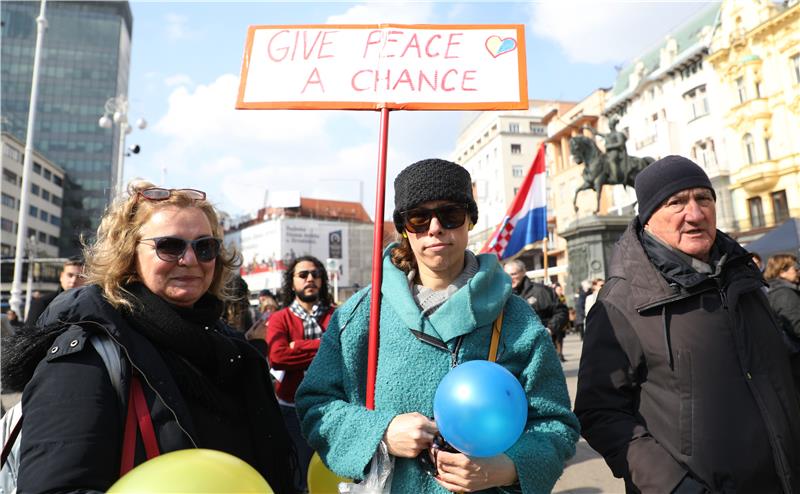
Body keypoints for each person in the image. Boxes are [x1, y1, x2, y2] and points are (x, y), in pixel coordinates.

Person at [296, 158, 579, 493]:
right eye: (418, 218)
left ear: (470, 220)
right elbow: (316, 406)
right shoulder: (359, 315)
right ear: (403, 227)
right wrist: (381, 432)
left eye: (450, 214)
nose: (435, 228)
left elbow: (555, 424)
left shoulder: (516, 317)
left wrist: (509, 467)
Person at [8, 183, 294, 493]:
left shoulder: (231, 350)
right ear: (128, 254)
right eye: (169, 246)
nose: (190, 259)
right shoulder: (91, 353)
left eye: (204, 247)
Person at [575, 156, 800, 493]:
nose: (695, 214)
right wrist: (674, 486)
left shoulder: (746, 279)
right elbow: (600, 413)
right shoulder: (620, 304)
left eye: (704, 199)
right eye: (676, 202)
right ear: (648, 218)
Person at [267, 256, 335, 493]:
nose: (310, 279)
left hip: (334, 408)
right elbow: (278, 357)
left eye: (316, 274)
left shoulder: (336, 315)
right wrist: (325, 344)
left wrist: (299, 346)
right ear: (292, 282)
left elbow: (347, 351)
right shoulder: (279, 318)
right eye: (303, 275)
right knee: (298, 476)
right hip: (292, 410)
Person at [503, 260, 569, 361]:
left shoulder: (542, 291)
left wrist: (549, 330)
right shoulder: (501, 294)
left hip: (540, 349)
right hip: (511, 352)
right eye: (506, 274)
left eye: (513, 274)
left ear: (523, 272)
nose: (510, 277)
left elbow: (562, 312)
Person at [764, 253, 800, 390]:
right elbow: (796, 326)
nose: (797, 271)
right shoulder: (784, 293)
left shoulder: (780, 291)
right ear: (782, 271)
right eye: (794, 268)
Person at [25, 257, 85, 324]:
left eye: (80, 276)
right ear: (61, 276)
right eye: (70, 275)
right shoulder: (42, 303)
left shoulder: (89, 306)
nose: (73, 281)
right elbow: (29, 331)